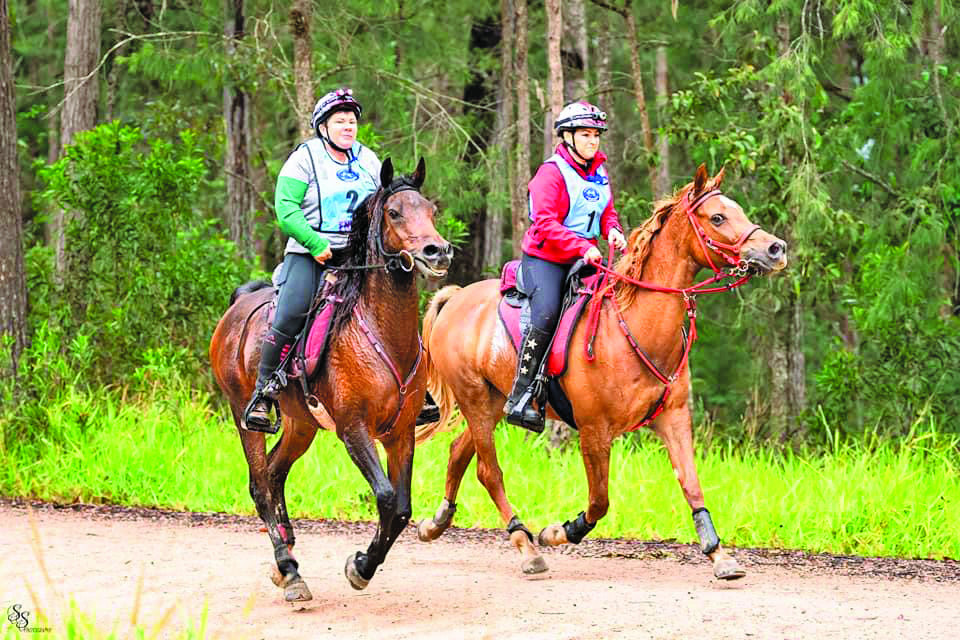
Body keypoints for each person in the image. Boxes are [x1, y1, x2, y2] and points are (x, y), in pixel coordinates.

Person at [244, 87, 381, 432]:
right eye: (340, 122)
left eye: (352, 121)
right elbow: (286, 208)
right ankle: (263, 394)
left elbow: (383, 205)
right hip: (312, 253)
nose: (348, 127)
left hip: (358, 257)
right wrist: (313, 240)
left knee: (393, 304)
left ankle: (416, 387)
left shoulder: (369, 160)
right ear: (323, 127)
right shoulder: (305, 157)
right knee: (293, 310)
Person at [504, 101, 628, 432]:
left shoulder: (599, 171)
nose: (592, 141)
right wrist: (581, 246)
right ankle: (523, 393)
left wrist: (612, 229)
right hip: (547, 260)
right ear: (568, 137)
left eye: (596, 135)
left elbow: (605, 211)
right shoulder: (551, 173)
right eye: (585, 135)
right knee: (546, 313)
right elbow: (543, 223)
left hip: (585, 259)